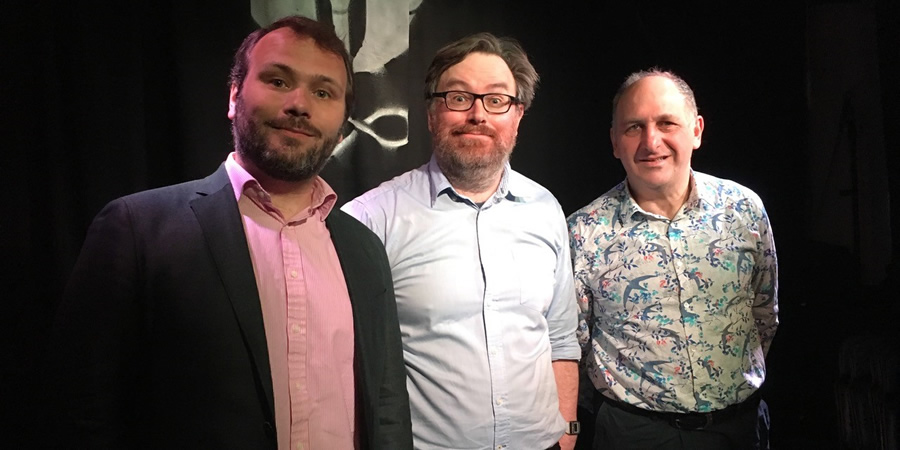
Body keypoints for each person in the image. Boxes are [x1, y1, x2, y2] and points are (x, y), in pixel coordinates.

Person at [43, 15, 412, 449]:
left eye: (323, 91)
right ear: (235, 95)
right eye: (278, 81)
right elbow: (81, 413)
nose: (300, 104)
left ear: (342, 118)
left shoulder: (363, 248)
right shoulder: (137, 230)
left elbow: (386, 409)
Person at [341, 33, 581, 450]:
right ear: (432, 112)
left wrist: (568, 431)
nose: (477, 114)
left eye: (496, 100)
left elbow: (560, 337)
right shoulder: (370, 219)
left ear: (518, 115)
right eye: (458, 98)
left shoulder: (545, 208)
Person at [567, 68, 778, 449]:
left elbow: (763, 313)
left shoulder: (744, 210)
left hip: (739, 429)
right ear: (615, 141)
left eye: (667, 122)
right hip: (632, 434)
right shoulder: (584, 232)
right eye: (634, 127)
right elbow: (574, 346)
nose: (651, 141)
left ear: (696, 130)